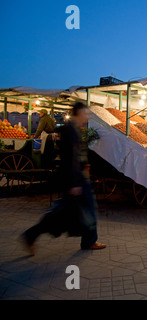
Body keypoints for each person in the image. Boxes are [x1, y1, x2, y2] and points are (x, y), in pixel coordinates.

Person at [20, 102, 106, 255]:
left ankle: (88, 240)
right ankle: (31, 235)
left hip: (77, 178)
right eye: (86, 113)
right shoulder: (70, 131)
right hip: (74, 179)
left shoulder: (75, 130)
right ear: (78, 113)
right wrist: (74, 184)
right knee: (66, 213)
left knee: (78, 210)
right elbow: (70, 158)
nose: (88, 116)